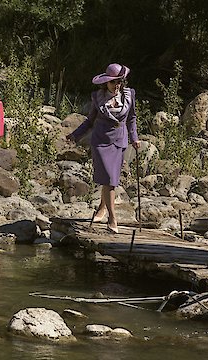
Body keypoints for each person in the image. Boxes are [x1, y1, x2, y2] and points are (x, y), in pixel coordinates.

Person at [66, 63, 141, 234]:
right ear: (106, 83)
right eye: (113, 82)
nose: (117, 86)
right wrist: (75, 135)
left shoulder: (129, 95)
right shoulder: (98, 97)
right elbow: (90, 121)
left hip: (119, 142)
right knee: (109, 180)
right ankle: (113, 218)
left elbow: (131, 119)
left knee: (110, 180)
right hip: (100, 142)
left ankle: (102, 208)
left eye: (119, 82)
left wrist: (134, 138)